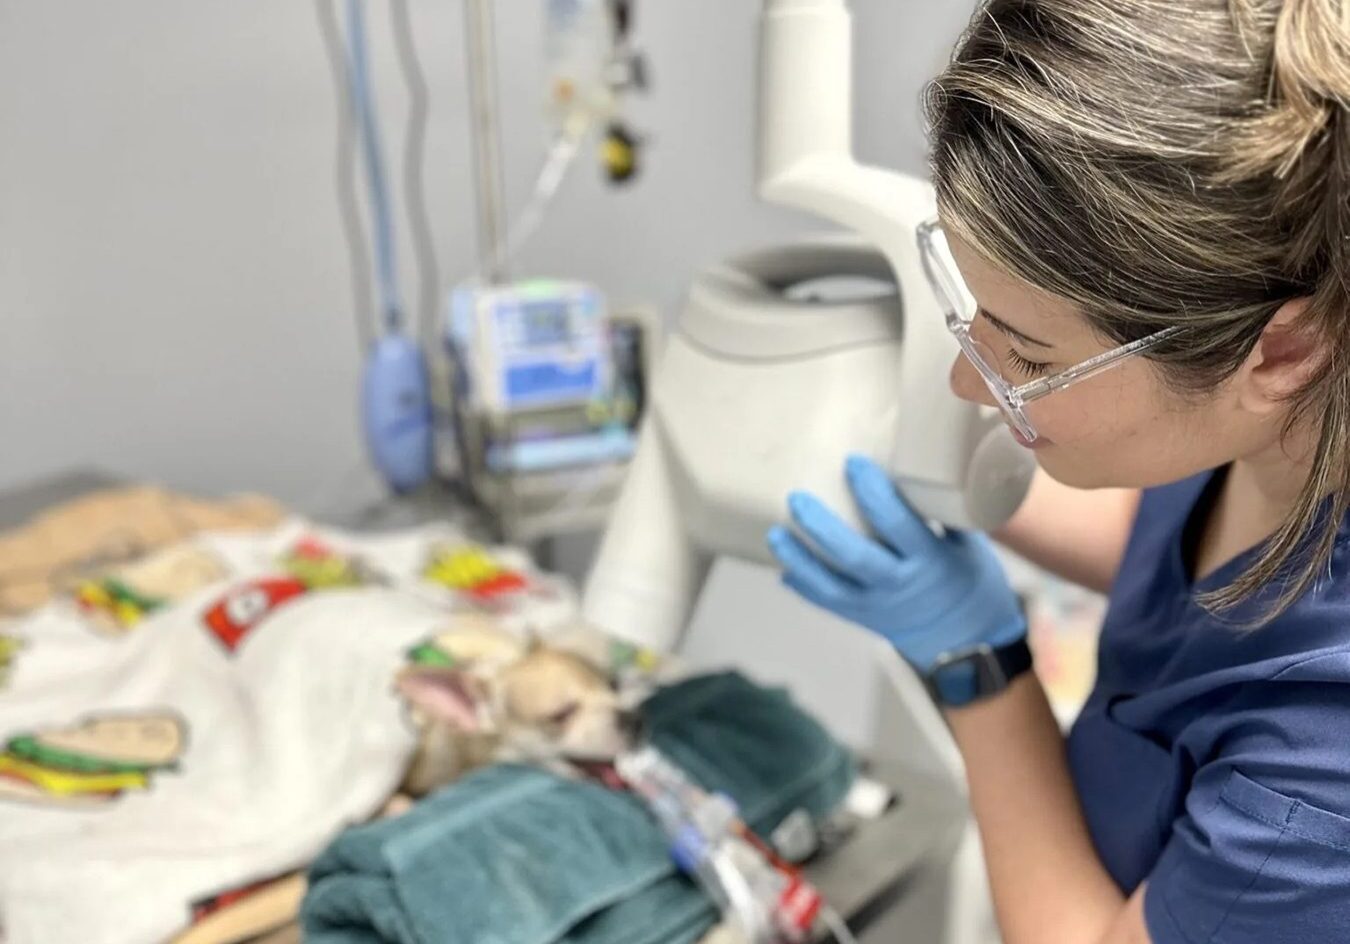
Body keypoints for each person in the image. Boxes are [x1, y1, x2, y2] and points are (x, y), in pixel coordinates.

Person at [767, 1, 1350, 942]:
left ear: (1284, 353)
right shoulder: (1291, 422)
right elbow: (1180, 555)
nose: (968, 384)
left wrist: (980, 666)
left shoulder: (1330, 771)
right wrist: (953, 485)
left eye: (1029, 357)